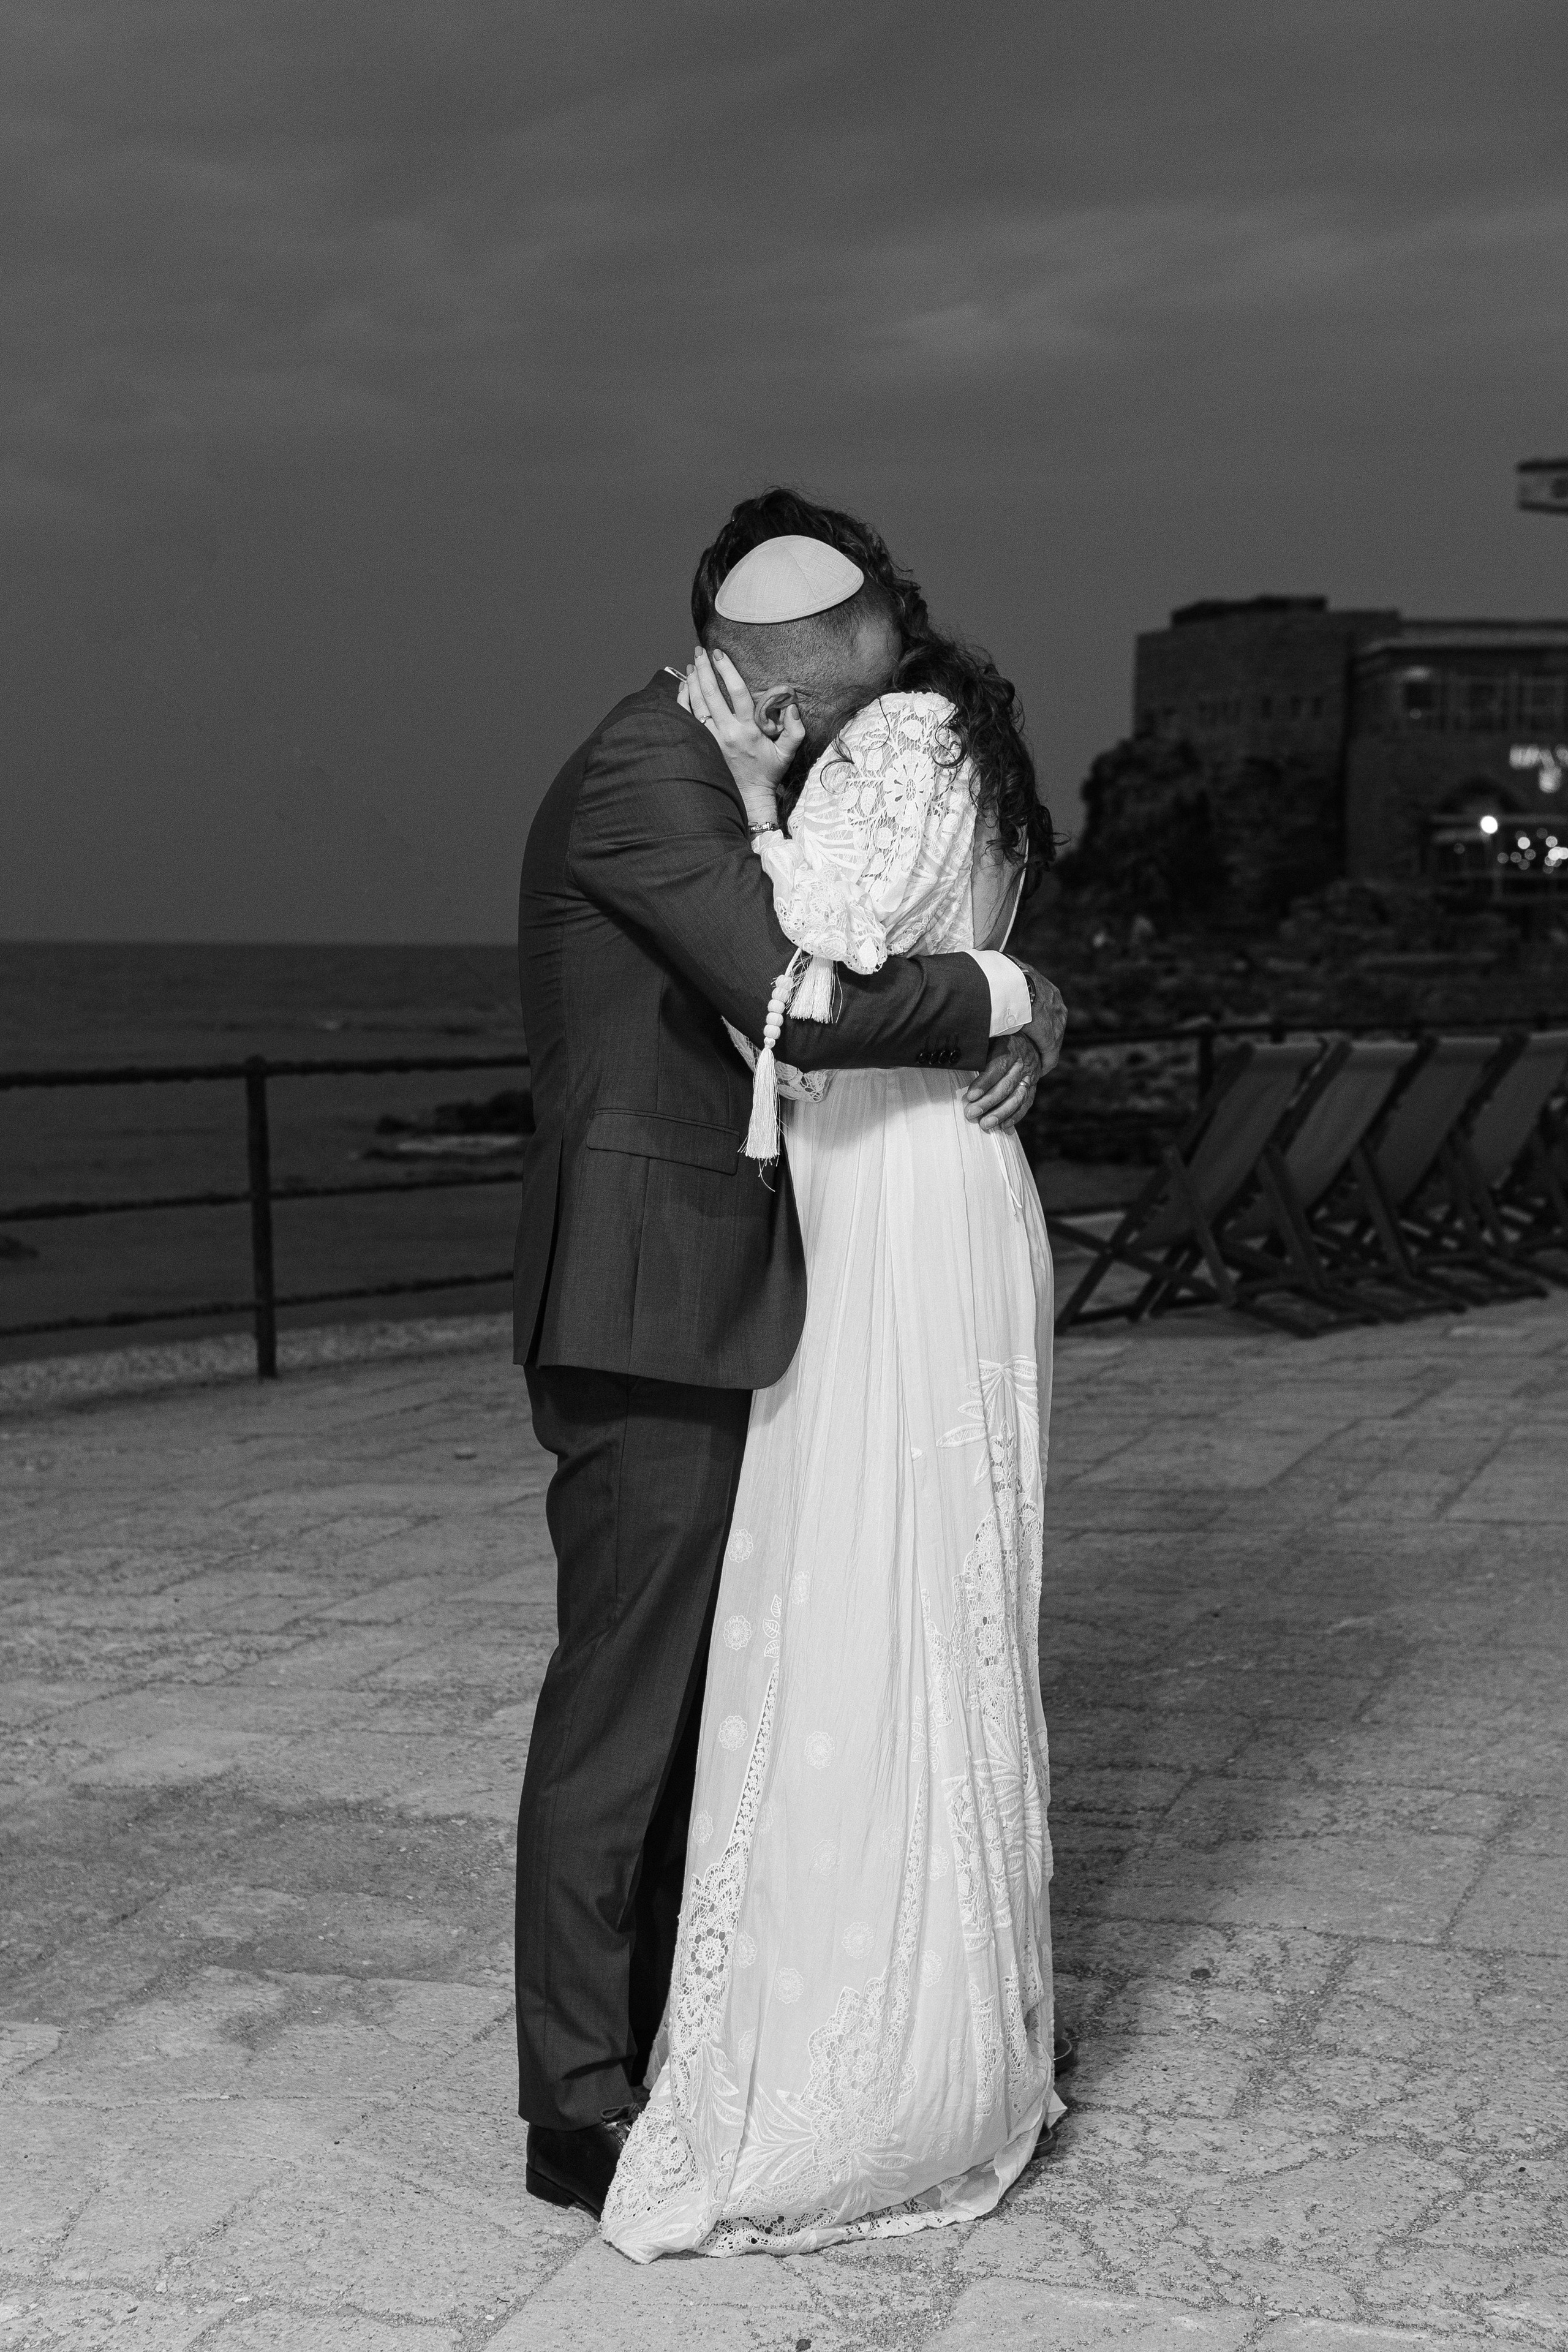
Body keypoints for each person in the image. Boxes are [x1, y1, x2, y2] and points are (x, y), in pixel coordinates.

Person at [513, 499, 1066, 2223]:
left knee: (705, 1691)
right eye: (861, 633)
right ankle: (575, 2102)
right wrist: (1007, 989)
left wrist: (1023, 1001)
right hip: (650, 1288)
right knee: (621, 1709)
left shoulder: (722, 770)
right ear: (788, 648)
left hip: (734, 1276)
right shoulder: (643, 773)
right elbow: (804, 1009)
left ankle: (682, 2021)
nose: (874, 665)